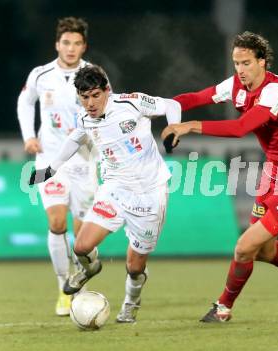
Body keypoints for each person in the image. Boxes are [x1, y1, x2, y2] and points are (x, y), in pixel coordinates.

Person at [162, 31, 278, 322]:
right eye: (236, 63)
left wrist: (188, 127)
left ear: (262, 62)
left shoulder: (276, 91)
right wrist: (159, 106)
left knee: (243, 247)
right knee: (263, 251)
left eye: (246, 63)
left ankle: (223, 308)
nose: (240, 70)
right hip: (273, 175)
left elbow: (241, 128)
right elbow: (197, 97)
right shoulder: (237, 85)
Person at [29, 65, 181, 323]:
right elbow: (74, 140)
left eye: (95, 95)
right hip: (114, 190)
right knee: (82, 246)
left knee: (134, 266)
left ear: (107, 91)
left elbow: (171, 104)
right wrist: (52, 168)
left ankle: (131, 302)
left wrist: (174, 129)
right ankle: (91, 267)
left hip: (149, 193)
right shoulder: (84, 118)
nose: (90, 103)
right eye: (84, 97)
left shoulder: (131, 103)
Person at [17, 17, 97, 316]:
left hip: (84, 161)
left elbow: (106, 111)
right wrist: (29, 137)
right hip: (48, 160)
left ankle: (81, 280)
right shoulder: (41, 75)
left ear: (83, 46)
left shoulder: (94, 75)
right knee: (56, 222)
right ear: (57, 45)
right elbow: (25, 103)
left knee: (82, 234)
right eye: (66, 42)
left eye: (77, 43)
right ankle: (64, 287)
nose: (71, 48)